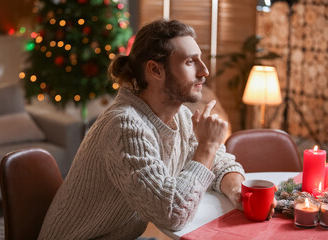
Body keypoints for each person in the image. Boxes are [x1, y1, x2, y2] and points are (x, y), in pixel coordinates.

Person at [38, 19, 248, 240]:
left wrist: (238, 192)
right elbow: (172, 215)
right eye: (189, 62)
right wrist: (207, 146)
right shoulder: (125, 126)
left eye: (200, 60)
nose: (204, 71)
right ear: (155, 70)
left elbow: (219, 163)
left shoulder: (182, 116)